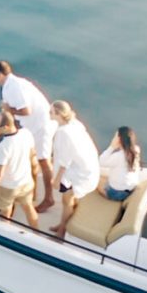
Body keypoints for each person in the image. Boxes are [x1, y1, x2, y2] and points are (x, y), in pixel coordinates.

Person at [0, 60, 56, 212]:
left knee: (43, 161)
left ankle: (49, 198)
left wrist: (8, 109)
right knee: (32, 158)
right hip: (30, 127)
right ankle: (32, 193)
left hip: (40, 127)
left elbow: (26, 111)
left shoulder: (14, 87)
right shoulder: (11, 84)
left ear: (0, 74)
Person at [49, 100, 100, 237]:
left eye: (51, 112)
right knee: (69, 199)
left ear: (58, 114)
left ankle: (62, 231)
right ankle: (62, 225)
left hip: (80, 173)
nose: (49, 114)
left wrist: (56, 179)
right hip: (86, 167)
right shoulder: (75, 124)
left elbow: (65, 160)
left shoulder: (63, 133)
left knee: (67, 200)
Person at [0, 110, 39, 229]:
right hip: (26, 182)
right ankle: (37, 233)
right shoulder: (26, 133)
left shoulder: (4, 147)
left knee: (5, 213)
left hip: (8, 187)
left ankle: (5, 234)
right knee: (29, 208)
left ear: (6, 127)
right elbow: (32, 154)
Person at [98, 127, 142, 201]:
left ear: (119, 139)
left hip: (117, 193)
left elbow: (100, 162)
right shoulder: (136, 150)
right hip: (130, 189)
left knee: (94, 180)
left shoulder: (119, 156)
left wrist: (111, 147)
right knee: (104, 177)